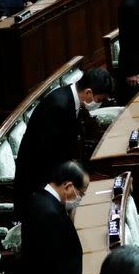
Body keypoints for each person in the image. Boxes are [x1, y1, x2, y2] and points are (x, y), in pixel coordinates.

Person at [14, 68, 113, 222]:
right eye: (99, 100)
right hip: (36, 185)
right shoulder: (57, 106)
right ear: (88, 92)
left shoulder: (68, 99)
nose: (98, 104)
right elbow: (46, 154)